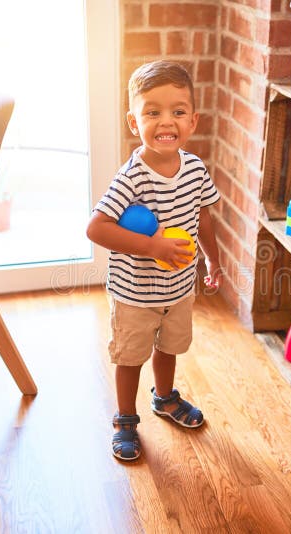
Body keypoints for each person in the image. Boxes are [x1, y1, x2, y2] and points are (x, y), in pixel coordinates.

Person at [86, 61, 222, 462]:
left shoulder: (195, 169)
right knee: (130, 357)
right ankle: (125, 418)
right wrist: (153, 248)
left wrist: (213, 261)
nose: (167, 122)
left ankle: (164, 398)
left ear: (193, 120)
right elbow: (96, 229)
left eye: (178, 111)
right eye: (152, 112)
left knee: (170, 346)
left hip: (178, 289)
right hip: (134, 294)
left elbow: (204, 216)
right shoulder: (131, 178)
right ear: (134, 121)